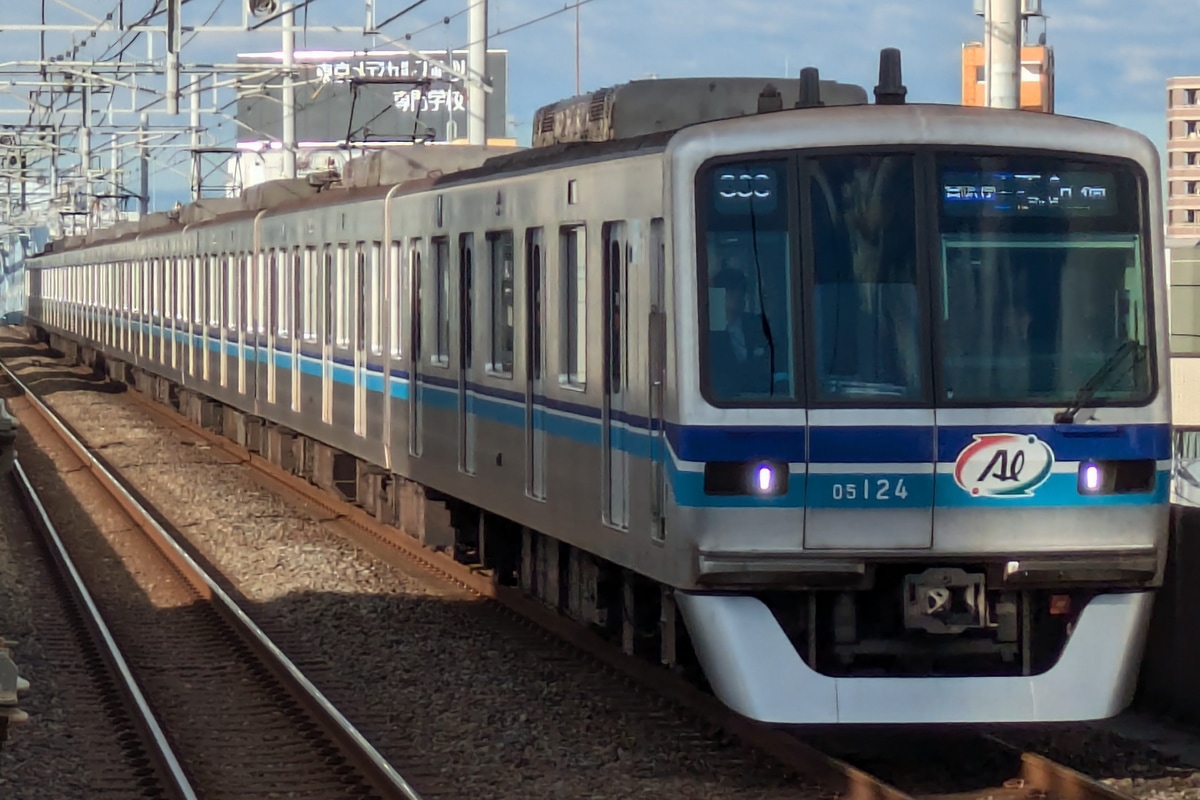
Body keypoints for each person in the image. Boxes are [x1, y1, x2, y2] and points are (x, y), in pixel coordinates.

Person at [709, 263, 772, 397]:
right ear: (719, 294)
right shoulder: (707, 330)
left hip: (762, 396)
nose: (739, 296)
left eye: (743, 291)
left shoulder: (756, 324)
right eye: (731, 290)